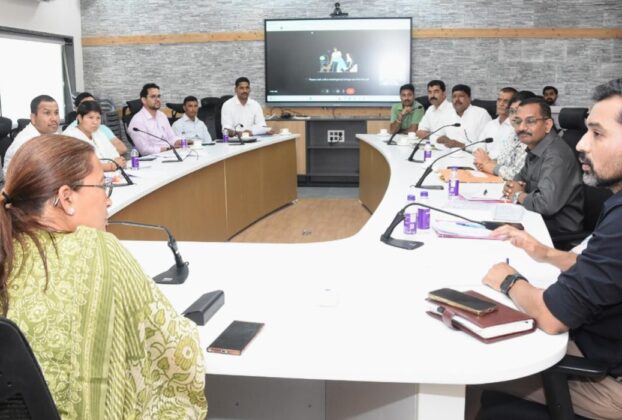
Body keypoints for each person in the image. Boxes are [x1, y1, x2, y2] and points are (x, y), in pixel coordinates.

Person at [0, 135, 207, 419]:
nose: (108, 199)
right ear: (66, 198)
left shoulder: (8, 251)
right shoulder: (98, 250)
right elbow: (176, 353)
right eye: (101, 185)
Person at [472, 79, 622, 419]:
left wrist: (508, 280)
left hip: (608, 381)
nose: (581, 143)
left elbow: (552, 317)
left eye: (597, 134)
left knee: (473, 369)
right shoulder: (616, 204)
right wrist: (546, 254)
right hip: (597, 342)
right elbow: (604, 269)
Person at [503, 97, 583, 236]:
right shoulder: (535, 147)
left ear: (547, 125)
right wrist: (511, 187)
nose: (521, 128)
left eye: (530, 121)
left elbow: (546, 205)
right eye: (518, 121)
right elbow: (519, 179)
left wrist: (518, 194)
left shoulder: (555, 156)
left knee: (499, 231)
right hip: (535, 216)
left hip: (558, 228)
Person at [473, 91, 535, 180]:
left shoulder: (531, 137)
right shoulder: (513, 133)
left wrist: (487, 164)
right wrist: (484, 162)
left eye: (519, 112)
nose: (514, 117)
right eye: (512, 111)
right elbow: (502, 160)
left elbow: (518, 175)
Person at [3, 95, 60, 175]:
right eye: (47, 113)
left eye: (56, 113)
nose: (54, 118)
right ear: (33, 118)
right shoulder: (25, 143)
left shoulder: (54, 135)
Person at [63, 101, 126, 172]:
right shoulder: (69, 136)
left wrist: (120, 162)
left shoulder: (99, 133)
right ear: (80, 118)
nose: (95, 122)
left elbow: (115, 156)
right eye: (90, 117)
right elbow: (78, 166)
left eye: (98, 118)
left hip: (111, 175)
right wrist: (110, 166)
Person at [128, 83, 186, 156]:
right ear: (144, 100)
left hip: (171, 154)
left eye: (158, 96)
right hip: (154, 158)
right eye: (153, 96)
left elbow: (171, 137)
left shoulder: (162, 115)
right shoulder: (137, 121)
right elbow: (144, 150)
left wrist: (183, 142)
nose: (157, 99)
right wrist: (168, 149)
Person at [68, 92, 128, 156]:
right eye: (86, 104)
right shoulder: (71, 132)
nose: (91, 106)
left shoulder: (100, 130)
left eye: (93, 103)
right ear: (77, 109)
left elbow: (122, 149)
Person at [436, 84, 491, 149]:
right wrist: (440, 139)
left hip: (471, 154)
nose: (457, 99)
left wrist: (462, 145)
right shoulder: (447, 114)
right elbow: (436, 136)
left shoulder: (481, 114)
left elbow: (487, 144)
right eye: (454, 97)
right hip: (447, 152)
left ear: (469, 98)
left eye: (461, 96)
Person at [475, 87, 517, 159]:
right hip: (482, 162)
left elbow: (511, 155)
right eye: (499, 100)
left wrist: (488, 158)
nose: (501, 104)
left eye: (506, 101)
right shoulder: (489, 125)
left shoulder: (516, 127)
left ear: (513, 105)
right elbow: (478, 148)